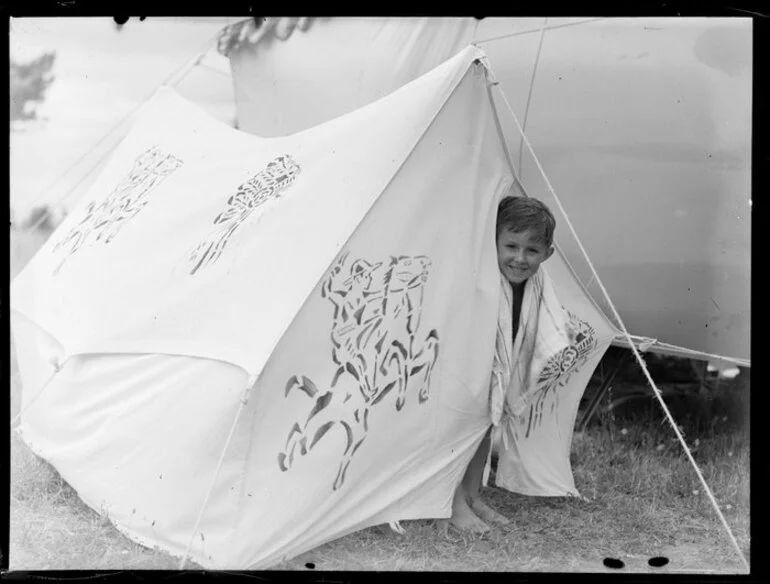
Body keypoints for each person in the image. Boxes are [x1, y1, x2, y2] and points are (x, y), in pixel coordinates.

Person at [447, 194, 556, 533]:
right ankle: (449, 503)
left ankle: (473, 494)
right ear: (491, 243)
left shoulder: (534, 287)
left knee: (484, 426)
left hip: (496, 370)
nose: (519, 259)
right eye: (510, 246)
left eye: (532, 250)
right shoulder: (481, 280)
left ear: (547, 254)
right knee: (459, 428)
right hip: (465, 369)